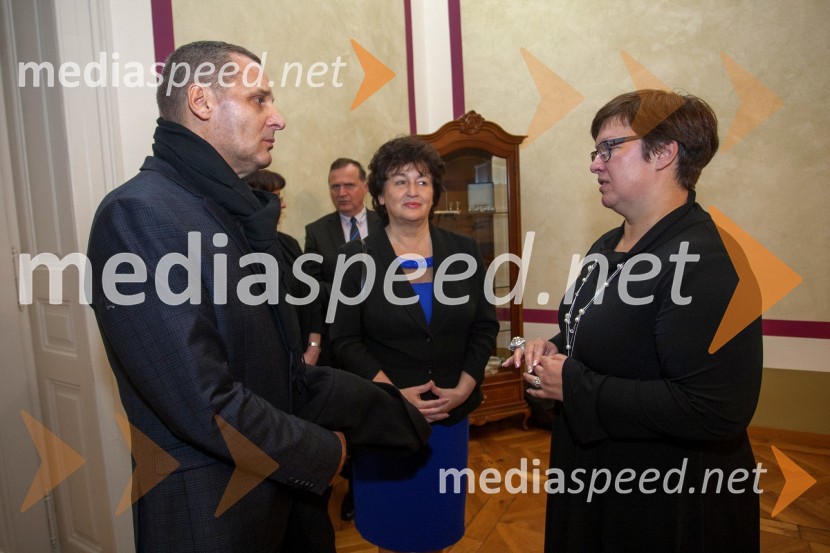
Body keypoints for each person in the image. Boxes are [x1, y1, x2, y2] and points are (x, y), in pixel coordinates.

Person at [87, 41, 429, 553]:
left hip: (285, 507)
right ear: (203, 103)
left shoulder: (227, 210)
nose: (279, 118)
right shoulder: (138, 216)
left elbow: (278, 372)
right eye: (260, 99)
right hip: (216, 519)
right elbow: (205, 403)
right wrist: (324, 454)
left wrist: (389, 414)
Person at [508, 89, 763, 552]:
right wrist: (553, 349)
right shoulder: (607, 245)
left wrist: (576, 386)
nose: (595, 164)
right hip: (597, 473)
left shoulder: (708, 260)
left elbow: (717, 410)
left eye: (610, 148)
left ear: (665, 153)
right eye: (595, 151)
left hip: (668, 500)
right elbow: (592, 333)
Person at [330, 136, 500, 553]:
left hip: (449, 416)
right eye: (399, 180)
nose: (412, 190)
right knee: (391, 529)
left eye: (422, 181)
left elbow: (484, 325)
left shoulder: (463, 250)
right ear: (380, 195)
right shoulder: (355, 258)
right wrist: (391, 393)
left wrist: (465, 384)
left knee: (437, 527)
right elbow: (345, 339)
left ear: (435, 193)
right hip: (387, 419)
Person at [304, 157, 382, 521]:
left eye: (349, 185)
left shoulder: (388, 222)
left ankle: (382, 481)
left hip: (384, 339)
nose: (342, 193)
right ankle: (354, 488)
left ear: (365, 187)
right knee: (351, 416)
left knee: (382, 411)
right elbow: (309, 285)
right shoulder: (317, 231)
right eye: (335, 186)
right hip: (341, 341)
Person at [245, 169, 323, 366]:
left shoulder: (289, 244)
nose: (284, 204)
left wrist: (313, 348)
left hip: (306, 362)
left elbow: (312, 299)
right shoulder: (239, 249)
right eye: (278, 198)